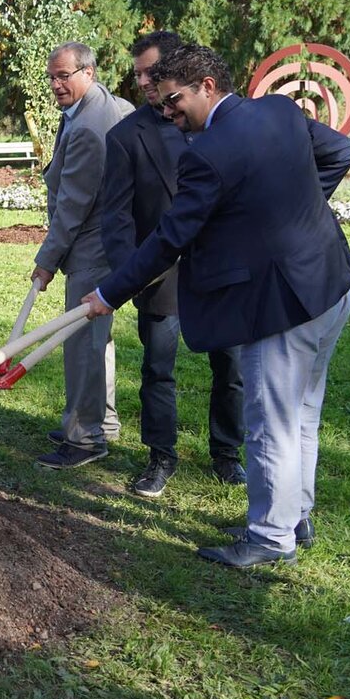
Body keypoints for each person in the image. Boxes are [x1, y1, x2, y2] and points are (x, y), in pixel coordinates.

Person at [85, 44, 350, 568]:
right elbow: (340, 152)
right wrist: (286, 211)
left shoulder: (205, 155)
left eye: (174, 100)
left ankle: (270, 537)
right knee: (302, 413)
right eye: (163, 103)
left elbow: (169, 239)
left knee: (271, 420)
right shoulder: (280, 110)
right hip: (331, 284)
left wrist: (107, 293)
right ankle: (294, 515)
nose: (168, 112)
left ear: (208, 86)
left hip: (283, 305)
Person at [100, 31, 246, 498]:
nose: (143, 81)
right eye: (138, 73)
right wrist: (131, 276)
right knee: (157, 369)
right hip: (160, 275)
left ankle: (227, 454)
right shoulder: (126, 136)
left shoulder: (221, 123)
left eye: (150, 71)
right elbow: (117, 215)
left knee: (233, 367)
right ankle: (161, 456)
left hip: (223, 270)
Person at [32, 42, 133, 470]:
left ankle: (85, 438)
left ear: (88, 73)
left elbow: (73, 203)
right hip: (104, 240)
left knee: (82, 343)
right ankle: (101, 422)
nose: (56, 84)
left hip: (94, 245)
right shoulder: (103, 104)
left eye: (64, 76)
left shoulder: (92, 125)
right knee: (97, 339)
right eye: (52, 77)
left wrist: (46, 260)